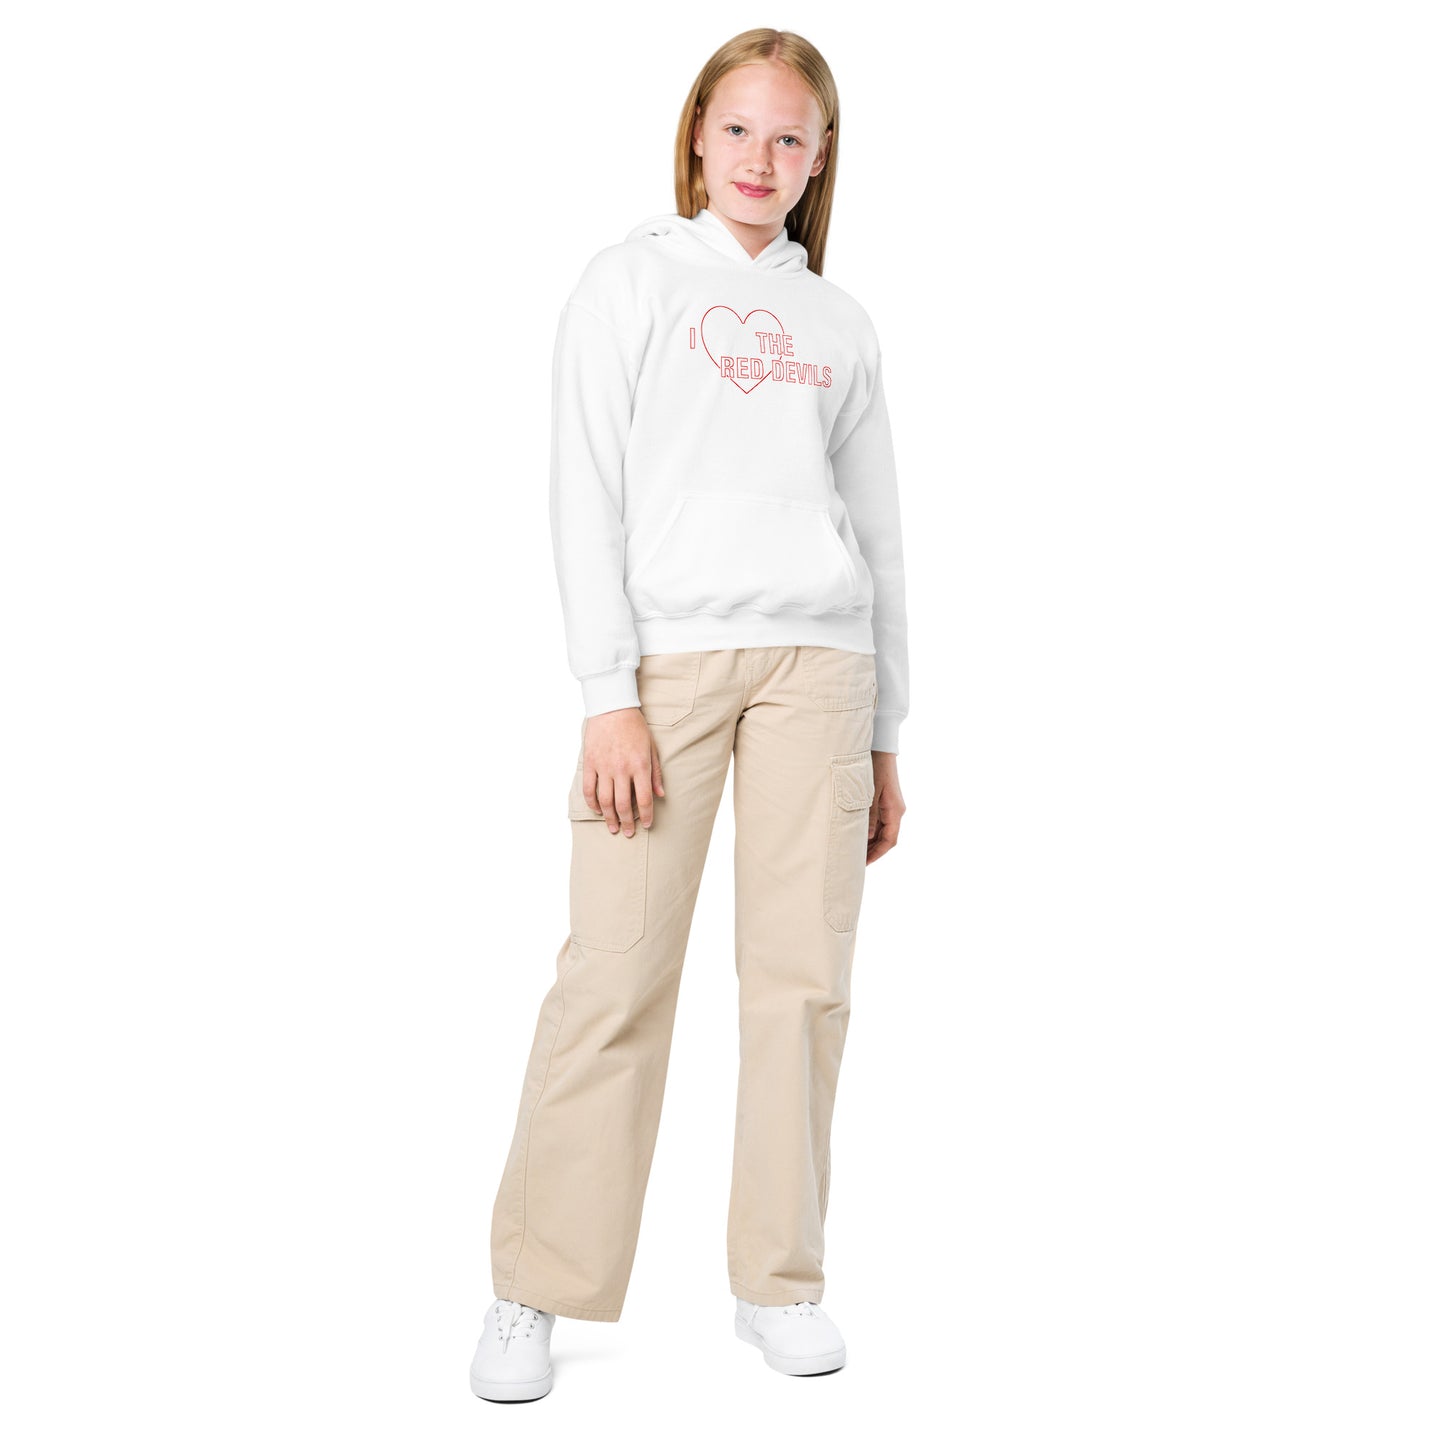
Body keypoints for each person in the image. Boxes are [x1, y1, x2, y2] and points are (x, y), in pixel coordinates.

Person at [470, 26, 909, 1402]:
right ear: (696, 135)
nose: (759, 159)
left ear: (819, 159)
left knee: (802, 985)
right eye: (738, 130)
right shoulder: (630, 283)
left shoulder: (839, 324)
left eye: (789, 138)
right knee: (612, 975)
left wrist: (888, 730)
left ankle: (779, 1279)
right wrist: (607, 695)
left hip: (819, 672)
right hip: (665, 672)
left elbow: (881, 536)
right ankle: (536, 1286)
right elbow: (581, 490)